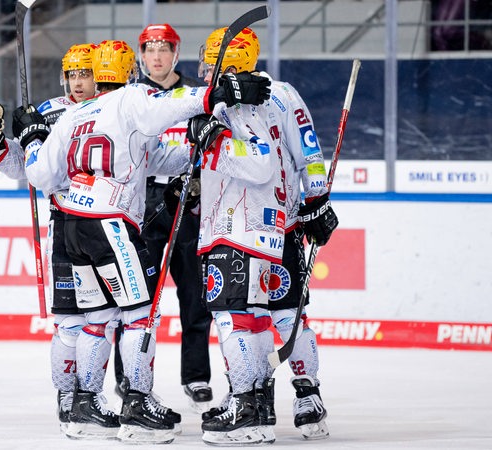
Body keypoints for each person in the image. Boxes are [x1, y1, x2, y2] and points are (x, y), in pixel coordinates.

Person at [19, 39, 270, 444]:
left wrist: (32, 139)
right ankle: (137, 405)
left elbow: (42, 176)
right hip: (110, 225)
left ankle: (84, 406)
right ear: (131, 74)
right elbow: (169, 107)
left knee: (96, 320)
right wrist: (215, 94)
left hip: (73, 229)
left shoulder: (75, 115)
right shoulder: (132, 100)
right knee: (139, 316)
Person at [195, 26, 338, 444]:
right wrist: (317, 202)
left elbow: (251, 161)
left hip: (238, 227)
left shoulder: (230, 105)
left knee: (239, 317)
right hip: (285, 224)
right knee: (282, 315)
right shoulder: (284, 92)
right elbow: (308, 151)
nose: (206, 69)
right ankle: (305, 400)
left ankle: (249, 405)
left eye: (214, 60)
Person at [0, 43, 120, 439]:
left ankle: (92, 397)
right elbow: (20, 166)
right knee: (70, 323)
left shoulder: (116, 107)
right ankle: (68, 398)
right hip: (64, 228)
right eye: (72, 74)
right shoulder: (48, 111)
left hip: (107, 225)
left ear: (100, 75)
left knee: (104, 321)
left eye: (85, 74)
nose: (78, 82)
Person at [126, 22, 213, 410]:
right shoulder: (129, 97)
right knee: (135, 296)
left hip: (189, 201)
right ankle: (131, 378)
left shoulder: (197, 93)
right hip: (143, 199)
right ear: (141, 55)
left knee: (195, 294)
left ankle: (196, 377)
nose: (156, 57)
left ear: (176, 53)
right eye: (149, 50)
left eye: (164, 49)